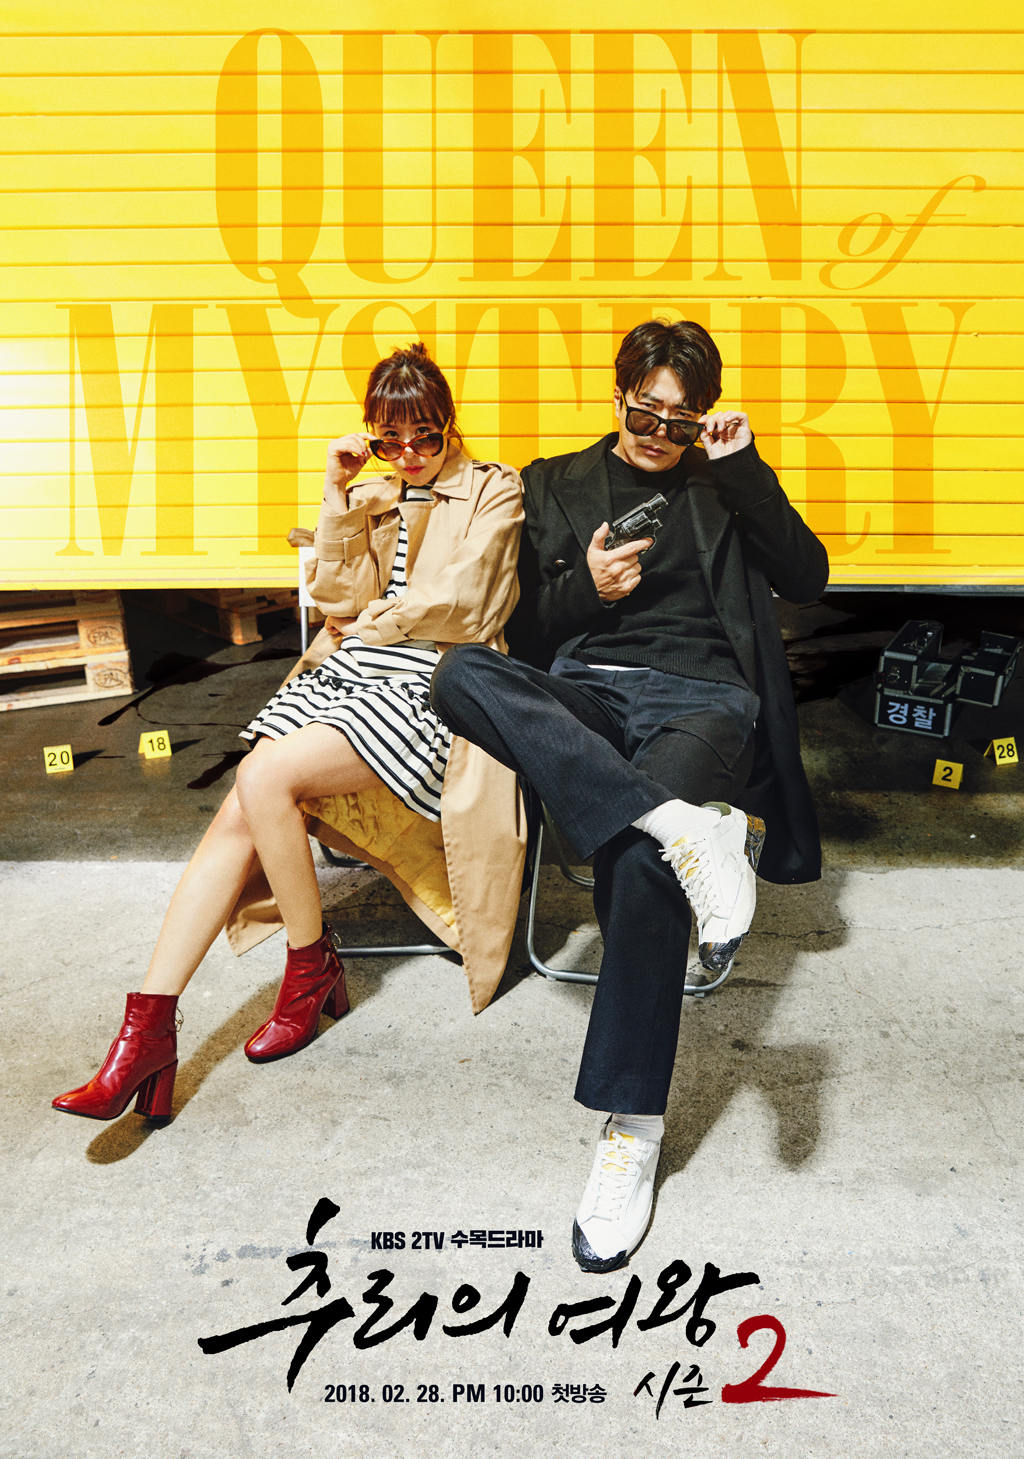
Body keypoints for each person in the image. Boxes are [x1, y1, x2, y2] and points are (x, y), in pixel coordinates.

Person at [430, 318, 829, 1272]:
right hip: (592, 693)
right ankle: (689, 828)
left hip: (701, 698)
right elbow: (525, 629)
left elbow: (808, 578)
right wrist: (590, 591)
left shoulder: (721, 480)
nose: (657, 436)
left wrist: (742, 467)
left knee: (645, 869)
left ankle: (630, 1130)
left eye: (678, 423)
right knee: (458, 676)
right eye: (644, 414)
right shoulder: (553, 482)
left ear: (702, 420)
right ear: (617, 398)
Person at [53, 343, 525, 1122]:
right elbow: (337, 594)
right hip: (350, 677)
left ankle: (309, 967)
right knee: (241, 809)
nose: (410, 454)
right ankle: (145, 1035)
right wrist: (337, 492)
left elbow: (468, 605)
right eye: (391, 441)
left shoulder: (493, 487)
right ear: (371, 435)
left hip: (436, 686)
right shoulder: (372, 491)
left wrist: (376, 621)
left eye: (426, 436)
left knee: (261, 775)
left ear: (450, 424)